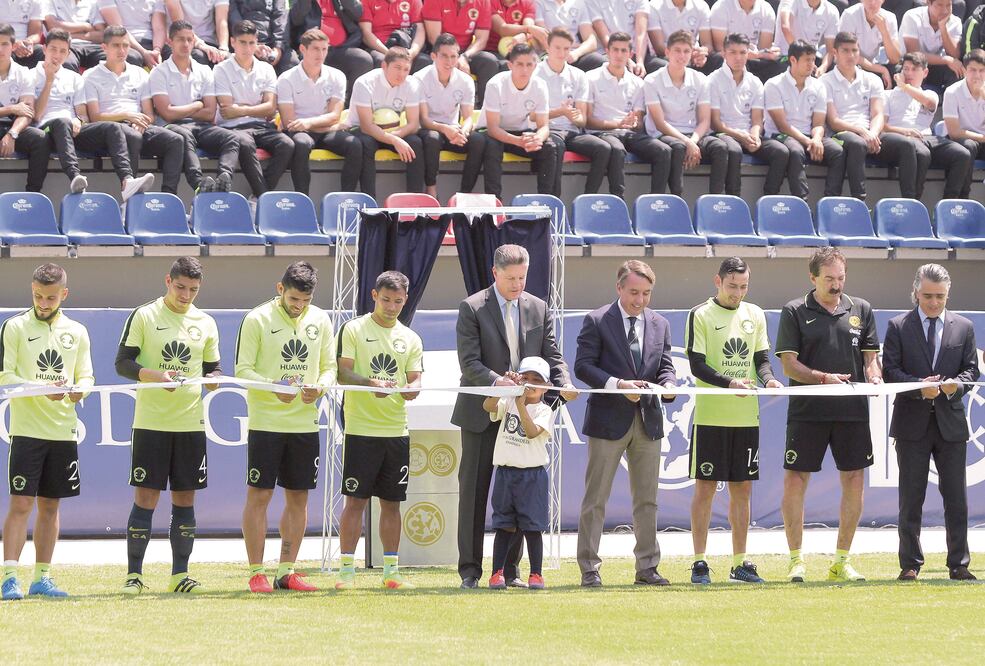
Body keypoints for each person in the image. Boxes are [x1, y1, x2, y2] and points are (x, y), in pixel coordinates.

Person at [453, 243, 575, 589]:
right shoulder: (472, 307)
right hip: (483, 412)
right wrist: (499, 382)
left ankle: (511, 571)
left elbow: (552, 353)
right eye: (510, 278)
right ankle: (470, 571)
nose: (517, 284)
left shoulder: (538, 307)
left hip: (523, 413)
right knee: (474, 494)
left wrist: (563, 382)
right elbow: (470, 363)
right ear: (495, 273)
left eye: (522, 277)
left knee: (519, 494)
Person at [775, 247, 883, 583]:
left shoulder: (861, 309)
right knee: (796, 479)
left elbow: (870, 358)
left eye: (840, 278)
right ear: (813, 278)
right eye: (829, 279)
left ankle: (841, 561)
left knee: (854, 479)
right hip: (807, 411)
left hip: (852, 412)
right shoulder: (794, 310)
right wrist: (823, 378)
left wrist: (875, 374)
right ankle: (796, 561)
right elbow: (788, 364)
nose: (836, 285)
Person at [115, 256, 221, 595]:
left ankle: (180, 575)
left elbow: (213, 367)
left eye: (193, 289)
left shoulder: (205, 322)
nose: (186, 295)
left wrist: (215, 379)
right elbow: (123, 363)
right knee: (146, 496)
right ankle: (134, 576)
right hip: (151, 423)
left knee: (185, 497)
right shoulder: (145, 315)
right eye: (180, 287)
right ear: (167, 282)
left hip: (190, 423)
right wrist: (155, 376)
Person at [575, 260, 677, 587]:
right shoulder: (596, 320)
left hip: (648, 420)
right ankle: (589, 569)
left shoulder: (660, 324)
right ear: (619, 288)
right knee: (596, 500)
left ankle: (647, 568)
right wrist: (619, 385)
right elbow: (584, 367)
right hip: (607, 420)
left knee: (647, 500)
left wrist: (670, 385)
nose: (640, 300)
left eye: (646, 293)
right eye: (634, 292)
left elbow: (665, 366)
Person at [236, 261, 336, 593]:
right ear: (280, 289)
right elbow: (243, 370)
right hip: (266, 423)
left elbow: (329, 367)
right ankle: (256, 572)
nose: (299, 307)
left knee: (298, 498)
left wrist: (319, 387)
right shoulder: (256, 319)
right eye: (294, 300)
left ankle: (287, 571)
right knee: (260, 494)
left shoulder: (321, 320)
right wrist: (272, 386)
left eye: (305, 301)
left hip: (305, 424)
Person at [685, 258, 783, 586]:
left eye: (744, 287)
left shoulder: (755, 315)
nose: (738, 293)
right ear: (718, 281)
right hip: (712, 418)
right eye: (732, 287)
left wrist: (768, 380)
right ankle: (700, 561)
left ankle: (740, 562)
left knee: (742, 489)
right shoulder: (700, 314)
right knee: (705, 489)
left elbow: (762, 361)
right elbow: (697, 365)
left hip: (746, 419)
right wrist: (731, 384)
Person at [883, 264, 981, 582]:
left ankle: (959, 563)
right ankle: (910, 564)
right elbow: (890, 371)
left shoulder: (963, 327)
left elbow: (971, 370)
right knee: (911, 497)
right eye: (927, 296)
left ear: (947, 294)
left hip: (950, 424)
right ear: (916, 292)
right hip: (911, 423)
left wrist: (958, 385)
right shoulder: (898, 326)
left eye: (939, 296)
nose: (934, 302)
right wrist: (917, 386)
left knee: (956, 498)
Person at [1, 264, 93, 601]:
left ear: (63, 294)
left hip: (63, 431)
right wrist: (40, 389)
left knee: (51, 506)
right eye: (38, 296)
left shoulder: (78, 331)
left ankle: (43, 578)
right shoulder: (14, 327)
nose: (43, 302)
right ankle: (9, 577)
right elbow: (4, 377)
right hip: (26, 431)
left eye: (51, 297)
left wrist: (79, 390)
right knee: (21, 503)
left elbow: (87, 377)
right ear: (31, 289)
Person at [335, 270, 423, 591]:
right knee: (355, 501)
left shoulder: (410, 338)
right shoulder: (354, 329)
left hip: (396, 430)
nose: (391, 306)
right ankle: (346, 571)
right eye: (386, 299)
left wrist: (414, 387)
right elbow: (343, 374)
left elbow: (415, 378)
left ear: (405, 300)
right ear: (374, 295)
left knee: (391, 503)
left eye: (398, 301)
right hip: (361, 430)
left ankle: (391, 572)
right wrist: (371, 383)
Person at [32, 30, 155, 198]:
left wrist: (78, 120)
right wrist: (49, 80)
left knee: (113, 127)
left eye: (63, 51)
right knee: (61, 122)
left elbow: (83, 115)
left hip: (72, 130)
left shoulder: (74, 78)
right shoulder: (30, 75)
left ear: (68, 53)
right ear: (44, 49)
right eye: (53, 49)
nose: (57, 55)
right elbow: (36, 115)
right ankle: (75, 177)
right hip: (46, 131)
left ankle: (127, 181)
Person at [83, 25, 185, 196]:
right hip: (109, 130)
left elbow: (149, 114)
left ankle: (169, 196)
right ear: (104, 47)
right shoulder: (90, 75)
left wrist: (143, 123)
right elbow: (95, 117)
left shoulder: (140, 74)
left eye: (125, 45)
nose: (122, 50)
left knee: (175, 140)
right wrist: (127, 116)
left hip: (138, 126)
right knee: (132, 135)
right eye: (116, 45)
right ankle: (130, 197)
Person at [482, 356, 555, 590]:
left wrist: (522, 405)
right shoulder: (509, 400)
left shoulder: (544, 410)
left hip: (532, 477)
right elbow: (488, 407)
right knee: (503, 526)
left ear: (547, 386)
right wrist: (503, 385)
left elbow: (532, 432)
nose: (530, 384)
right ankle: (496, 574)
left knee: (532, 528)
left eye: (537, 380)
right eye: (526, 378)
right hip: (505, 473)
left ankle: (536, 574)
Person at [149, 20, 242, 194]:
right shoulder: (159, 72)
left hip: (201, 126)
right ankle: (199, 184)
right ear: (170, 42)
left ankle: (224, 180)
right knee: (183, 134)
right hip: (173, 127)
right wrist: (198, 104)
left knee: (232, 138)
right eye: (180, 39)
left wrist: (181, 109)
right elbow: (167, 114)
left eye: (189, 39)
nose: (186, 44)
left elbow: (210, 113)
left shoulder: (205, 70)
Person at [277, 28, 363, 196]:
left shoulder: (337, 75)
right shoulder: (286, 79)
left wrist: (309, 123)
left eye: (324, 49)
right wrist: (327, 126)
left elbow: (334, 115)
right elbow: (289, 122)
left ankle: (346, 199)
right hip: (301, 131)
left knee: (355, 145)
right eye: (316, 48)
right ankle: (303, 200)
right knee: (301, 144)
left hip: (315, 128)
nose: (321, 54)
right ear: (303, 49)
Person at [585, 31, 671, 197]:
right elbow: (588, 121)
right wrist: (617, 124)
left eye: (624, 50)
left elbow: (638, 123)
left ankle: (656, 202)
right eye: (615, 50)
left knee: (664, 151)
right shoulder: (590, 78)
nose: (619, 54)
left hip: (628, 133)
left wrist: (633, 122)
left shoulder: (638, 83)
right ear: (607, 52)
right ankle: (619, 201)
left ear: (630, 54)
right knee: (617, 149)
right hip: (602, 132)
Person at [214, 20, 294, 197]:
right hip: (232, 128)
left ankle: (258, 196)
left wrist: (241, 109)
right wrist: (256, 108)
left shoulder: (266, 69)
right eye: (242, 42)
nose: (247, 47)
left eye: (251, 43)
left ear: (257, 43)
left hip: (261, 126)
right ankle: (263, 198)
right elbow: (227, 110)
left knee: (287, 144)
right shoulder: (221, 69)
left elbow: (270, 108)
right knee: (245, 142)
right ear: (233, 42)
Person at [644, 30, 728, 196]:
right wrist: (687, 142)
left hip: (693, 135)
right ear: (667, 52)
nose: (682, 56)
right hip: (664, 134)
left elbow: (705, 120)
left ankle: (715, 201)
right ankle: (676, 199)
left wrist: (693, 141)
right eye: (677, 50)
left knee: (720, 147)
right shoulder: (652, 80)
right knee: (678, 147)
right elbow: (660, 123)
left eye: (686, 51)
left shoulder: (700, 79)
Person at [881, 51, 971, 200]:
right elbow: (883, 126)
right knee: (921, 152)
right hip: (899, 139)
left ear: (925, 72)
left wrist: (905, 87)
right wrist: (905, 131)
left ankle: (950, 202)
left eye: (914, 69)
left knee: (962, 154)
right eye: (906, 69)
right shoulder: (887, 95)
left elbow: (929, 103)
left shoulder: (930, 94)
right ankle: (913, 201)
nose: (909, 73)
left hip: (927, 137)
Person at [708, 32, 789, 196]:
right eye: (733, 52)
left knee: (781, 152)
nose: (738, 57)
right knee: (734, 149)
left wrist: (755, 136)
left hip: (748, 134)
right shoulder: (712, 80)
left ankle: (769, 200)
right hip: (723, 133)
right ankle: (733, 199)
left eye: (743, 52)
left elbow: (757, 120)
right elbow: (715, 123)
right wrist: (740, 136)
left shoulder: (755, 82)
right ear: (724, 54)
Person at [763, 39, 844, 199]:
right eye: (807, 60)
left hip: (809, 135)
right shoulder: (773, 84)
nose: (812, 65)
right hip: (781, 136)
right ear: (793, 60)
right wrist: (808, 142)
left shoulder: (818, 86)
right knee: (795, 150)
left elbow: (819, 123)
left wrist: (817, 139)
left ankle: (831, 201)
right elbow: (782, 126)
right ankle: (803, 202)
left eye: (813, 60)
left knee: (838, 151)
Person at [536, 27, 612, 196]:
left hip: (571, 131)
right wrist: (561, 112)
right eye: (557, 47)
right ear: (547, 48)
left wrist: (574, 116)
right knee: (556, 145)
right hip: (546, 130)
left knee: (603, 148)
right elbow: (532, 116)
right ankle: (551, 199)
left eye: (566, 48)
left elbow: (582, 120)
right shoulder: (535, 73)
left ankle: (588, 198)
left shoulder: (578, 75)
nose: (562, 53)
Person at [478, 41, 557, 197]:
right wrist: (518, 141)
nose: (525, 69)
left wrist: (537, 139)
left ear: (535, 66)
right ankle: (495, 202)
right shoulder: (496, 84)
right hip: (493, 133)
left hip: (521, 132)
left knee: (551, 147)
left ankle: (546, 201)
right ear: (510, 65)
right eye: (520, 64)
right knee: (492, 146)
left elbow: (544, 126)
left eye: (529, 64)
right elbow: (492, 128)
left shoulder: (540, 85)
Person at [415, 32, 485, 198]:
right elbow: (423, 120)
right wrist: (445, 129)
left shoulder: (465, 80)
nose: (449, 62)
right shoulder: (419, 78)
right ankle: (431, 190)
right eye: (444, 56)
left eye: (453, 56)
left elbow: (468, 117)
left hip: (453, 130)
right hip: (429, 128)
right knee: (432, 138)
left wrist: (463, 132)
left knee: (479, 140)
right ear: (433, 56)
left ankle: (464, 194)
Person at [821, 31, 888, 203]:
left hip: (870, 133)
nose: (851, 55)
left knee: (907, 147)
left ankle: (912, 205)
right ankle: (860, 202)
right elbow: (834, 122)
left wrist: (872, 133)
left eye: (854, 50)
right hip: (840, 135)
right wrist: (863, 132)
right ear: (835, 53)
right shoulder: (824, 81)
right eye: (845, 50)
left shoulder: (873, 79)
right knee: (858, 144)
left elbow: (878, 114)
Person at [349, 45, 425, 197]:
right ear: (384, 65)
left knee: (415, 143)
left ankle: (415, 202)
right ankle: (370, 203)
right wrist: (395, 140)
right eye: (397, 68)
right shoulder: (364, 83)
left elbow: (413, 123)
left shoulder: (413, 84)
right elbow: (366, 126)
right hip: (364, 131)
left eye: (406, 69)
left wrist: (396, 137)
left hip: (394, 131)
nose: (402, 74)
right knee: (366, 144)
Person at [289, 0, 373, 102]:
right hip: (314, 50)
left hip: (342, 48)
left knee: (363, 60)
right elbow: (296, 19)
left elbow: (357, 13)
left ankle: (349, 106)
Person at [0, 23, 50, 193]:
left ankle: (32, 195)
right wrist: (11, 109)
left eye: (4, 44)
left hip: (12, 128)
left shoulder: (23, 73)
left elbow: (28, 112)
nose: (0, 49)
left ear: (13, 46)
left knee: (40, 138)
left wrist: (12, 133)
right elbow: (18, 109)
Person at [422, 0, 501, 107]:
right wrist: (452, 57)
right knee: (422, 61)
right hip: (440, 50)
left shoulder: (483, 2)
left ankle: (485, 112)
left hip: (466, 52)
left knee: (489, 61)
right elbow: (434, 37)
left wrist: (464, 57)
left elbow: (481, 39)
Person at [942, 48, 985, 198]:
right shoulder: (952, 92)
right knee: (968, 147)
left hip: (981, 140)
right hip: (960, 140)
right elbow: (954, 132)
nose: (978, 75)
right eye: (973, 70)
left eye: (982, 71)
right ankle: (960, 197)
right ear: (965, 71)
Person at [709, 0, 783, 82]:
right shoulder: (721, 7)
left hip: (755, 59)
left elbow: (764, 47)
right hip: (729, 57)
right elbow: (721, 48)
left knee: (777, 65)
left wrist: (761, 54)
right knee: (720, 59)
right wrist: (744, 54)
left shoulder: (766, 9)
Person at [900, 0, 963, 89]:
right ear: (928, 3)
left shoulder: (955, 21)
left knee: (957, 71)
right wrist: (946, 60)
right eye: (940, 5)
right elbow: (914, 54)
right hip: (910, 64)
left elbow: (955, 54)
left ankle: (946, 100)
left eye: (948, 5)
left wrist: (943, 27)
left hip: (935, 65)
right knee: (910, 69)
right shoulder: (912, 16)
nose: (945, 10)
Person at [837, 0, 901, 88]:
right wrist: (882, 69)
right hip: (852, 63)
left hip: (872, 64)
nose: (873, 3)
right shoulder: (850, 15)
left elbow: (895, 59)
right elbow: (848, 54)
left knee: (898, 72)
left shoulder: (890, 17)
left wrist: (884, 31)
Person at [647, 0, 718, 75]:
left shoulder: (701, 6)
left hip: (693, 57)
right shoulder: (654, 6)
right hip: (665, 58)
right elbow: (659, 47)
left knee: (718, 59)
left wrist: (700, 53)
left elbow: (707, 44)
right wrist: (684, 56)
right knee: (660, 64)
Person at [774, 0, 839, 77]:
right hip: (784, 56)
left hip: (812, 60)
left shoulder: (832, 11)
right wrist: (804, 57)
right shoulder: (790, 1)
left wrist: (822, 68)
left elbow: (830, 50)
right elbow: (785, 27)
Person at [533, 0, 603, 71]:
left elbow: (591, 42)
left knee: (600, 62)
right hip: (550, 54)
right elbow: (542, 37)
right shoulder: (539, 2)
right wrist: (566, 47)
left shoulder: (578, 3)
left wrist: (576, 53)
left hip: (574, 54)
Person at [587, 0, 653, 74]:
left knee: (659, 65)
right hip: (608, 53)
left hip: (636, 53)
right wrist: (625, 59)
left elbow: (641, 33)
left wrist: (640, 62)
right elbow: (603, 34)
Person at [97, 0, 168, 68]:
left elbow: (159, 28)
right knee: (133, 58)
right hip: (126, 42)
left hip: (152, 42)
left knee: (173, 54)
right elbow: (118, 28)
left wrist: (157, 51)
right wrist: (144, 53)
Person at [230, 0, 294, 74]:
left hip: (273, 42)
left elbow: (280, 17)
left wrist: (278, 48)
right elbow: (234, 18)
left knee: (291, 61)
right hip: (245, 40)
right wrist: (253, 45)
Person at [359, 0, 427, 68]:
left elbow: (420, 30)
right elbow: (366, 33)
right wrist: (388, 53)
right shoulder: (367, 1)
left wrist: (412, 52)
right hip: (380, 47)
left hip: (406, 46)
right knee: (382, 60)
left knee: (424, 61)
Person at [43, 0, 108, 71]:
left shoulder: (92, 3)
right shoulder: (50, 2)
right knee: (66, 64)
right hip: (67, 46)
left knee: (111, 60)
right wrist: (85, 26)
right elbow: (52, 26)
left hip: (92, 45)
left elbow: (102, 35)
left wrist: (72, 35)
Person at [162, 0, 231, 65]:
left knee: (228, 60)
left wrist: (223, 48)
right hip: (182, 42)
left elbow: (221, 21)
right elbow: (180, 24)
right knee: (198, 56)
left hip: (209, 42)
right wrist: (202, 45)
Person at [0, 0, 44, 66]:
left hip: (24, 47)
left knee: (41, 52)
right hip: (3, 44)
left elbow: (36, 34)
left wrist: (29, 42)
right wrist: (13, 43)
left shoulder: (35, 2)